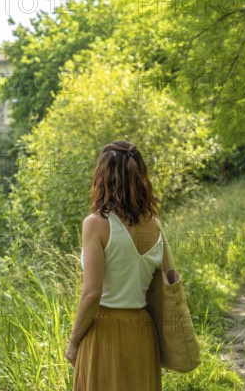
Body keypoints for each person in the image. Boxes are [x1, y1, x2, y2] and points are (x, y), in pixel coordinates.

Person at [66, 140, 163, 391]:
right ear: (141, 176)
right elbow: (168, 279)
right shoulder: (154, 224)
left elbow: (91, 294)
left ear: (103, 176)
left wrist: (74, 341)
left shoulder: (96, 224)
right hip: (143, 332)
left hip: (104, 332)